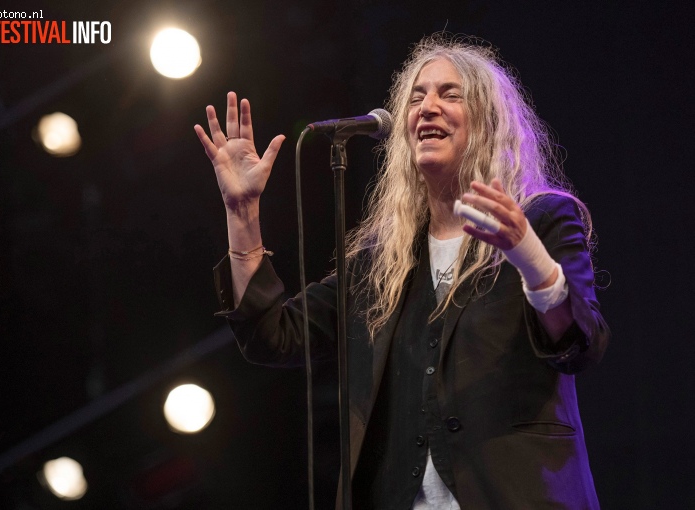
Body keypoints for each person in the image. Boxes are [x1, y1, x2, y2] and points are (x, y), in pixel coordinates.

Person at [195, 34, 609, 510]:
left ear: (490, 123)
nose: (427, 106)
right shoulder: (383, 261)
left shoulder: (541, 220)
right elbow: (274, 335)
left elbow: (579, 343)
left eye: (450, 94)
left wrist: (529, 256)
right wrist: (242, 213)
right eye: (417, 96)